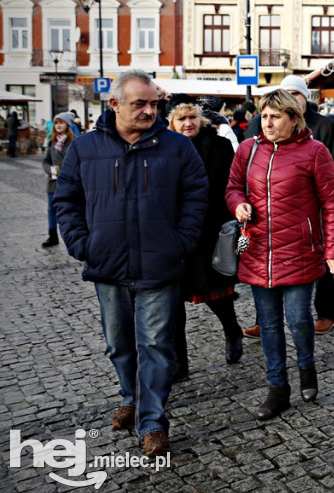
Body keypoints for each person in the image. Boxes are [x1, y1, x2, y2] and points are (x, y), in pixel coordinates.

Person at [53, 69, 208, 457]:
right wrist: (81, 243)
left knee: (156, 344)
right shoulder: (85, 148)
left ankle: (153, 421)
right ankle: (129, 395)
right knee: (118, 344)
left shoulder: (176, 146)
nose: (149, 111)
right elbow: (66, 199)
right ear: (115, 104)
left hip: (161, 262)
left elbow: (196, 196)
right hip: (107, 263)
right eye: (140, 103)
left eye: (155, 103)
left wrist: (181, 241)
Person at [225, 89, 334, 420]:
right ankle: (277, 388)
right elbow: (232, 187)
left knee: (297, 319)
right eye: (264, 116)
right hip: (258, 252)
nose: (267, 122)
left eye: (275, 116)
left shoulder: (315, 152)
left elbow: (333, 203)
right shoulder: (248, 150)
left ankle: (307, 366)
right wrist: (239, 205)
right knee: (268, 324)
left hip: (300, 251)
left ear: (294, 120)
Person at [242, 75, 334, 337]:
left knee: (321, 267)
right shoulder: (261, 125)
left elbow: (333, 174)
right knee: (266, 274)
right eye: (286, 93)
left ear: (303, 98)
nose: (291, 98)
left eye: (296, 94)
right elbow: (247, 170)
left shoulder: (322, 125)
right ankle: (263, 321)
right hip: (267, 223)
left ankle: (325, 314)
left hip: (310, 213)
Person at [167, 103, 243, 380]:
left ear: (201, 119)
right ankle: (179, 364)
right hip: (174, 236)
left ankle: (232, 329)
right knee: (173, 301)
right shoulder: (163, 147)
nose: (188, 123)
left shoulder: (220, 146)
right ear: (172, 122)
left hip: (210, 232)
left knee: (216, 294)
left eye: (192, 117)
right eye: (181, 119)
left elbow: (232, 186)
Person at [41, 112, 76, 248]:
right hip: (53, 183)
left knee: (72, 209)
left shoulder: (74, 142)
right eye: (56, 123)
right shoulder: (52, 142)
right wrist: (50, 169)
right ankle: (52, 236)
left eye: (61, 122)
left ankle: (74, 235)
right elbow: (46, 161)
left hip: (69, 183)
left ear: (67, 124)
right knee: (51, 209)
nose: (58, 125)